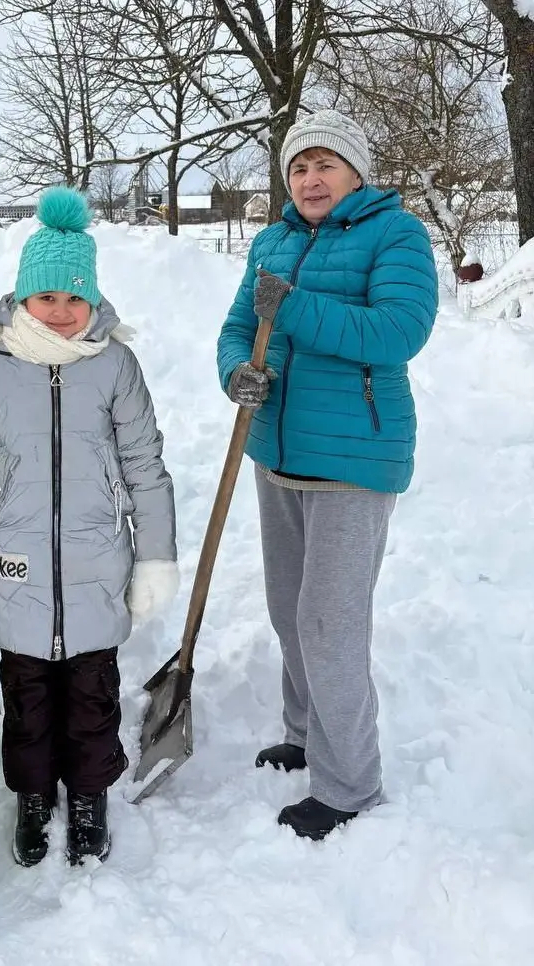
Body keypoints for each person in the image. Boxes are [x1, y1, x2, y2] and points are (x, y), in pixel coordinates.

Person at [0, 187, 179, 866]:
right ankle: (34, 796)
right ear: (24, 299)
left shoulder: (114, 365)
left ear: (92, 301)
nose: (62, 312)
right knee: (28, 698)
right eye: (48, 298)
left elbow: (144, 465)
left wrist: (155, 556)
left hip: (98, 563)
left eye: (75, 299)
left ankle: (90, 794)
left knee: (92, 695)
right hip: (17, 566)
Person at [217, 109, 438, 840]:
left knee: (328, 623)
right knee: (288, 609)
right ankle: (306, 731)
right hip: (277, 449)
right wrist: (236, 374)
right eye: (298, 167)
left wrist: (295, 308)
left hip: (353, 457)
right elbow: (234, 330)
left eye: (325, 164)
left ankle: (348, 784)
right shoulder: (272, 239)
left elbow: (397, 332)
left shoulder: (395, 234)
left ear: (355, 173)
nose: (310, 179)